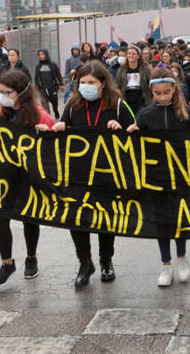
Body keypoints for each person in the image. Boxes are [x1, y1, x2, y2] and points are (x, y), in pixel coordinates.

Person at [51, 61, 136, 289]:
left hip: (107, 175)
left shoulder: (117, 105)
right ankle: (84, 262)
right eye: (82, 83)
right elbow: (62, 132)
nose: (86, 86)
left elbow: (136, 133)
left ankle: (106, 260)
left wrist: (120, 128)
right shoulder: (71, 106)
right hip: (77, 174)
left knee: (105, 220)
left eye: (91, 83)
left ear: (102, 84)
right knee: (77, 220)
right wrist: (59, 128)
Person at [0, 70, 54, 286]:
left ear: (21, 93)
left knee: (30, 216)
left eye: (6, 92)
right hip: (5, 175)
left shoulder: (40, 114)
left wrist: (46, 132)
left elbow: (54, 145)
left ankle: (31, 257)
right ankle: (7, 262)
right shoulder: (3, 110)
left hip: (30, 176)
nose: (1, 95)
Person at [127, 69, 190, 286]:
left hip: (180, 175)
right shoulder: (146, 115)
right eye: (157, 93)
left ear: (174, 89)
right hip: (155, 176)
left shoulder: (184, 113)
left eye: (166, 92)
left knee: (180, 219)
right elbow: (136, 146)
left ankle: (182, 258)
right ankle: (166, 264)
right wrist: (133, 131)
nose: (162, 97)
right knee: (161, 220)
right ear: (151, 92)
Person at [116, 46, 152, 113]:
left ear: (138, 56)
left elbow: (150, 84)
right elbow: (118, 85)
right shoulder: (121, 70)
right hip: (127, 98)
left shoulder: (146, 69)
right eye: (129, 53)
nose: (131, 55)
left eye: (133, 54)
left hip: (142, 99)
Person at [34, 49, 63, 119]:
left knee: (54, 103)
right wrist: (36, 88)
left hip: (52, 87)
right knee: (45, 105)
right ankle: (48, 118)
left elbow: (58, 75)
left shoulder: (53, 64)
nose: (40, 56)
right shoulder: (38, 66)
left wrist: (61, 84)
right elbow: (36, 78)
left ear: (46, 55)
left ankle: (56, 111)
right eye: (39, 54)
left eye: (42, 54)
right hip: (43, 88)